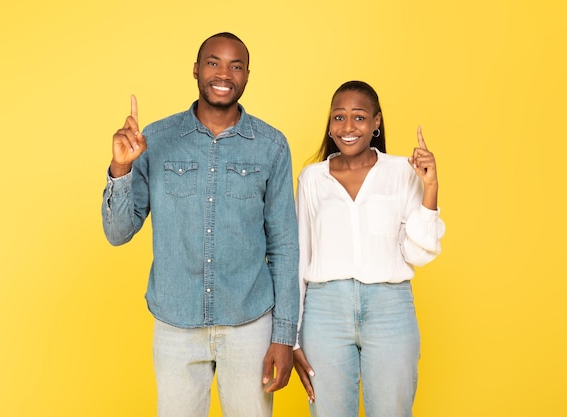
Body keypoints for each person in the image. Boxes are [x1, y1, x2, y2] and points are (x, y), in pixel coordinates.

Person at [101, 32, 299, 417]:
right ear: (195, 70)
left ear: (246, 76)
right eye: (213, 62)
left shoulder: (271, 145)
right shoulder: (154, 140)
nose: (223, 73)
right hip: (176, 324)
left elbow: (285, 244)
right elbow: (117, 233)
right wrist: (121, 166)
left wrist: (284, 336)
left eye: (235, 65)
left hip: (249, 323)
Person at [293, 80, 445, 417]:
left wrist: (429, 186)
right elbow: (299, 257)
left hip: (389, 308)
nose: (348, 127)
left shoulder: (402, 173)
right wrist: (293, 337)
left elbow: (419, 253)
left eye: (359, 118)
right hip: (325, 311)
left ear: (377, 122)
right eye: (339, 117)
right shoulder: (312, 179)